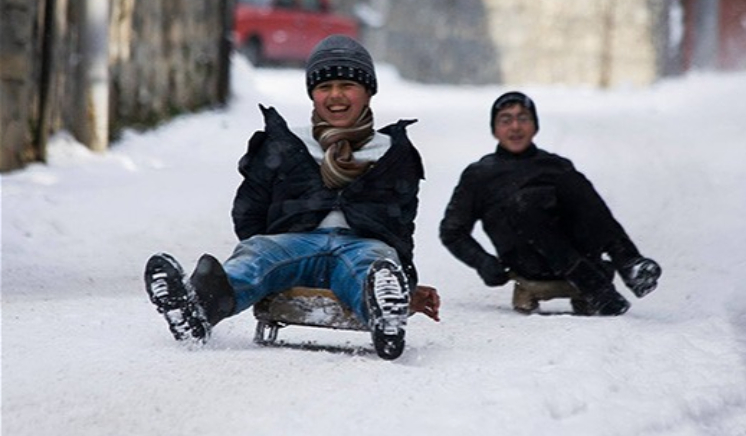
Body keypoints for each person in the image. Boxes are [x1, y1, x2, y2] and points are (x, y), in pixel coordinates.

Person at [144, 35, 440, 360]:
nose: (336, 95)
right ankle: (197, 309)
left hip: (361, 244)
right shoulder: (285, 144)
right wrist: (265, 239)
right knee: (257, 259)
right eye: (324, 86)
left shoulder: (392, 152)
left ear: (369, 91)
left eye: (347, 85)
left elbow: (402, 223)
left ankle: (385, 313)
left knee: (370, 267)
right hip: (293, 242)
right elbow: (249, 210)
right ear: (312, 93)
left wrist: (405, 279)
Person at [439, 91, 661, 316]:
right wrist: (483, 262)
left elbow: (591, 214)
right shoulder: (480, 175)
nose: (515, 127)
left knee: (572, 182)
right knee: (525, 203)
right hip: (529, 261)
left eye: (523, 118)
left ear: (535, 126)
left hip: (581, 254)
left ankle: (629, 262)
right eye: (506, 120)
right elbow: (452, 231)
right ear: (495, 129)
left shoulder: (556, 166)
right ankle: (595, 288)